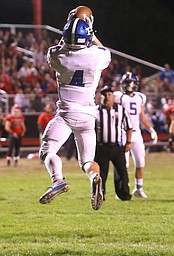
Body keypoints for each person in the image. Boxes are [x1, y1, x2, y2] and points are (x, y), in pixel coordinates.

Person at [38, 17, 111, 211]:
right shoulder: (97, 56)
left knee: (47, 150)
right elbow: (102, 49)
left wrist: (71, 23)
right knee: (87, 161)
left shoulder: (57, 54)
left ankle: (58, 181)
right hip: (88, 115)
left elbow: (60, 45)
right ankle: (95, 178)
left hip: (66, 114)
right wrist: (91, 32)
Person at [114, 72, 158, 198]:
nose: (129, 85)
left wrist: (151, 130)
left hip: (136, 133)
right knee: (124, 164)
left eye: (131, 82)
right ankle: (122, 190)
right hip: (122, 133)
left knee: (140, 162)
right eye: (127, 83)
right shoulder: (119, 97)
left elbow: (142, 116)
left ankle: (138, 189)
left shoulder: (140, 97)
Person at [95, 85, 132, 201]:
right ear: (100, 97)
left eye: (109, 95)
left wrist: (128, 142)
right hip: (101, 147)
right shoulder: (95, 111)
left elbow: (129, 127)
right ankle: (101, 196)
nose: (107, 97)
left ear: (113, 97)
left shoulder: (121, 109)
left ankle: (124, 195)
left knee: (122, 172)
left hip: (117, 147)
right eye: (104, 95)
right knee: (101, 174)